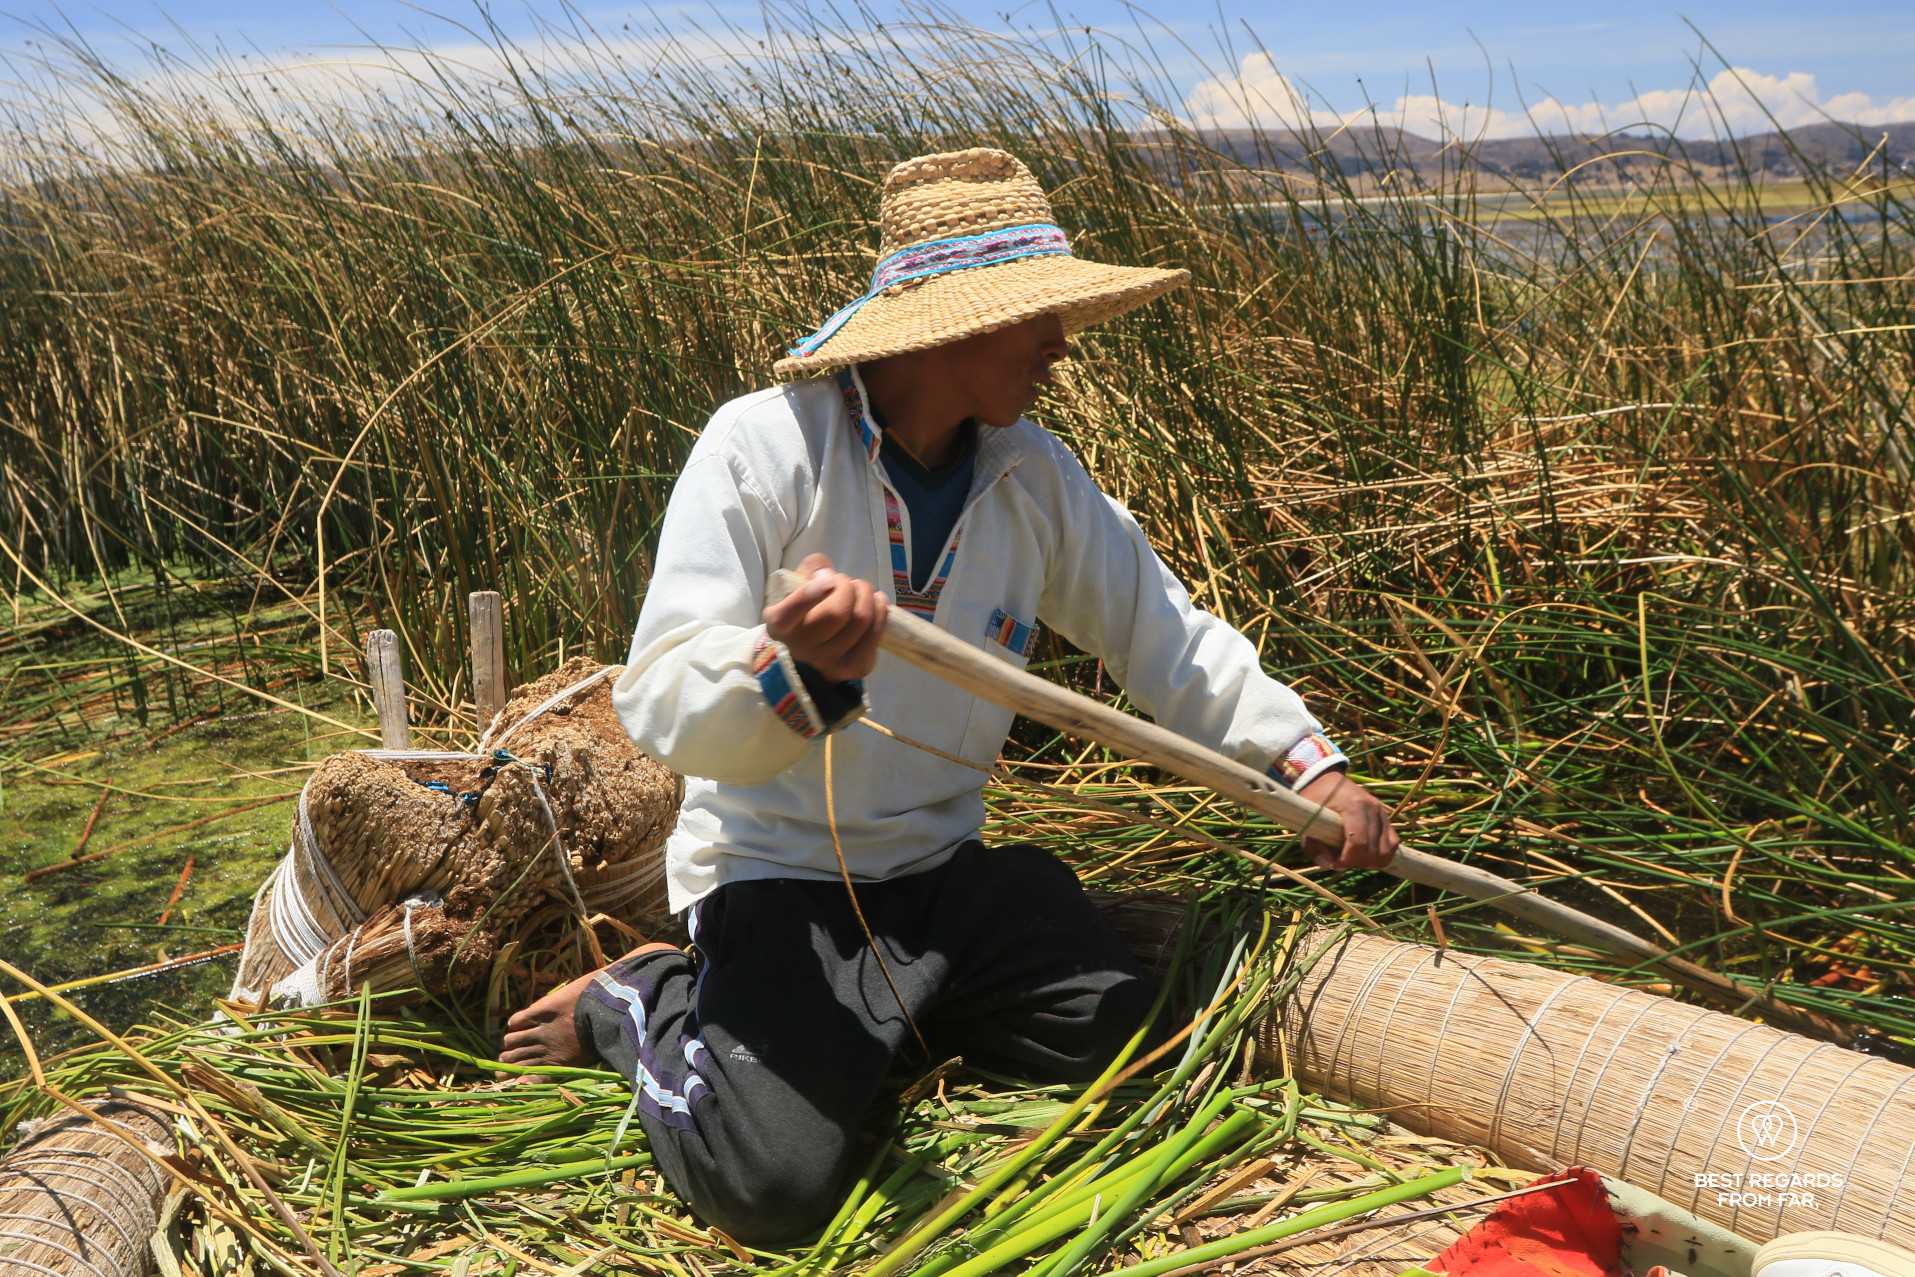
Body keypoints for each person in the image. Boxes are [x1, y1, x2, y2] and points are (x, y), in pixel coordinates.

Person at [500, 147, 1399, 1244]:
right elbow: (664, 699)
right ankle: (641, 996)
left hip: (944, 877)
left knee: (1137, 1041)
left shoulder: (1033, 477)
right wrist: (798, 677)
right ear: (955, 325)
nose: (1059, 346)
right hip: (783, 878)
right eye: (1037, 319)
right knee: (770, 1187)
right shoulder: (764, 449)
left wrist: (1308, 766)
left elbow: (1162, 634)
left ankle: (892, 1019)